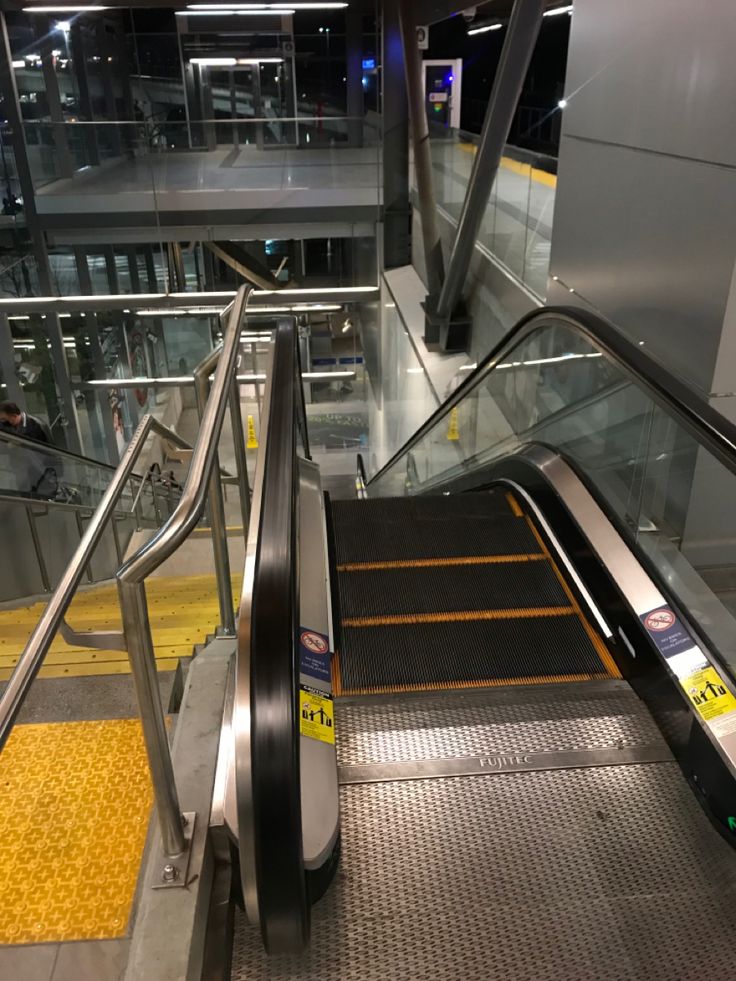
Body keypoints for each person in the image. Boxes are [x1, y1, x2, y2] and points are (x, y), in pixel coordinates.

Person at [0, 400, 59, 497]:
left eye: (3, 419)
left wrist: (56, 471)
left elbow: (51, 449)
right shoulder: (3, 426)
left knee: (45, 496)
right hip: (20, 470)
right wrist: (8, 446)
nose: (2, 421)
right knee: (26, 496)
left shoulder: (37, 425)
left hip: (40, 469)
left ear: (14, 416)